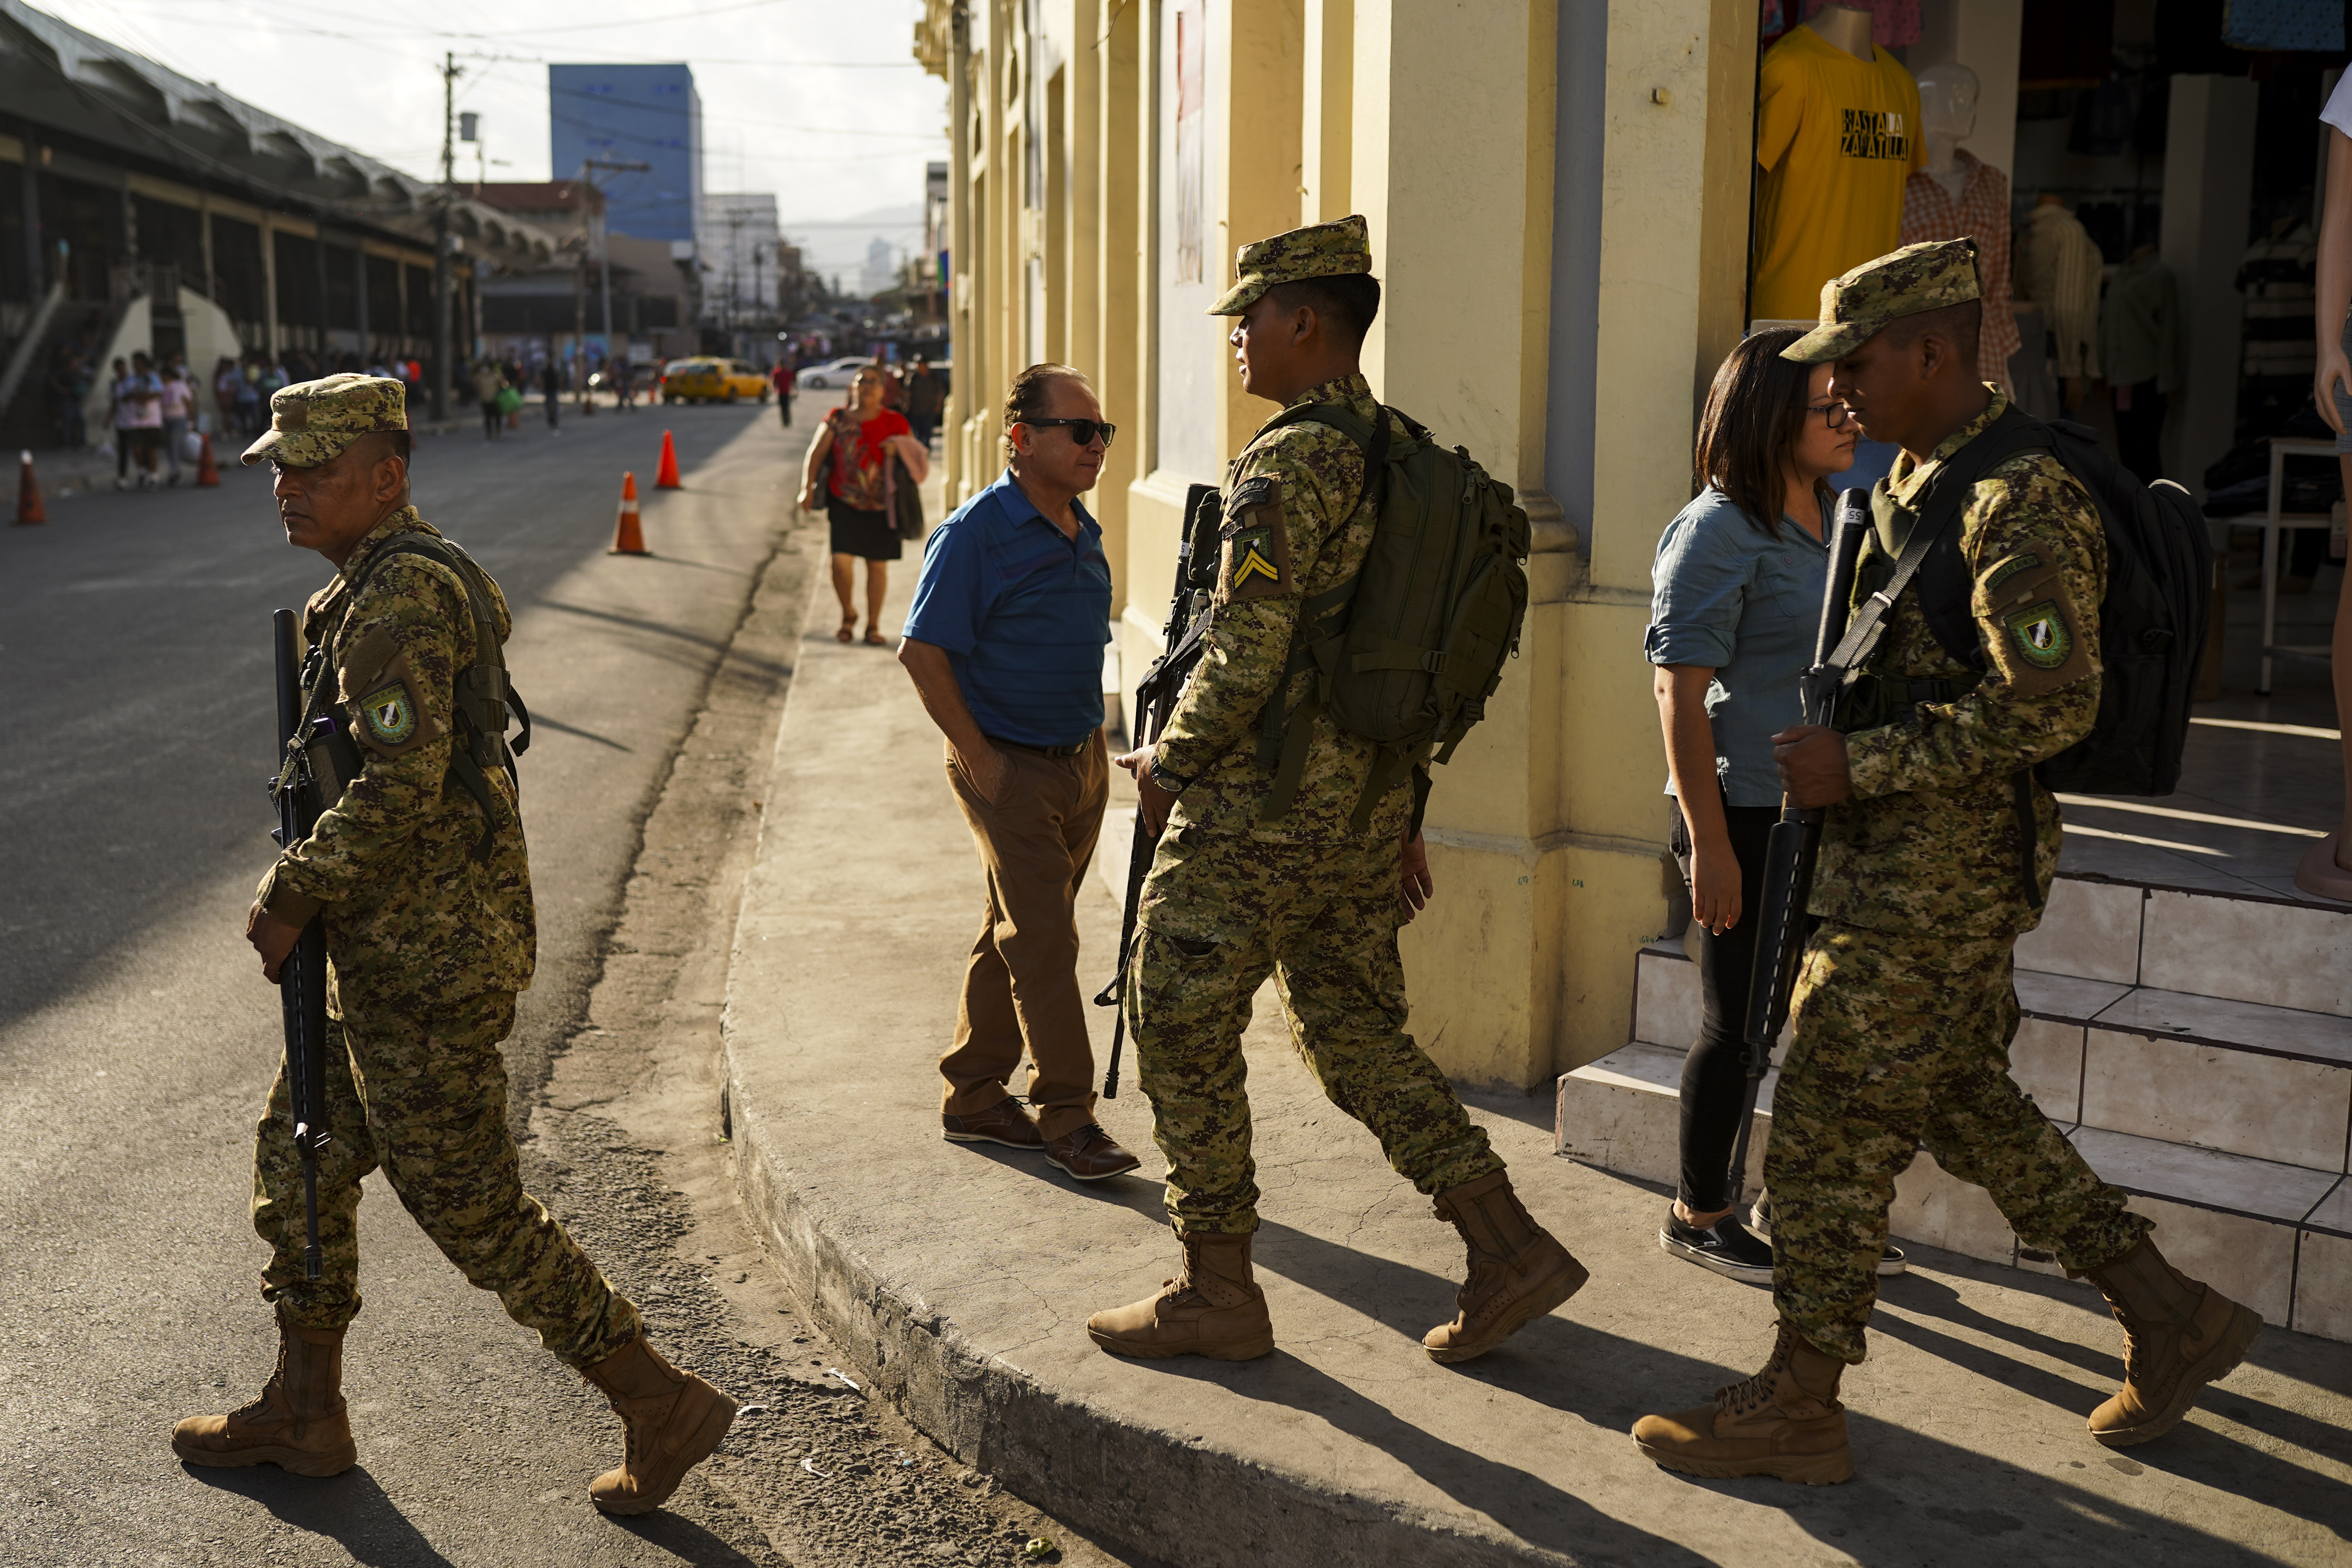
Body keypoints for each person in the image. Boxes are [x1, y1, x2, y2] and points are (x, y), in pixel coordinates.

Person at [1633, 240, 2263, 1484]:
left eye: (1854, 365)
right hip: (1889, 868)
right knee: (1971, 1106)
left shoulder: (2012, 500)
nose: (1838, 392)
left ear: (1932, 351)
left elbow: (2051, 703)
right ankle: (2171, 1314)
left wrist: (1855, 768)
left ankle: (1801, 1404)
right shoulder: (1919, 477)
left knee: (1816, 1119)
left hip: (1939, 882)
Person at [174, 374, 736, 1515]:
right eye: (278, 467)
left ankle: (657, 1395)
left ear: (386, 476)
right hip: (385, 946)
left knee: (471, 1205)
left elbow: (399, 788)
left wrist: (290, 889)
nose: (284, 488)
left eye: (313, 470)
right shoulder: (370, 583)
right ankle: (306, 1406)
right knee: (302, 1151)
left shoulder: (399, 600)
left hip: (424, 961)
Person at [1085, 216, 1585, 1365]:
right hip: (1361, 815)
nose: (1237, 344)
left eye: (1248, 320)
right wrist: (1397, 809)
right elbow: (1408, 659)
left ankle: (1215, 1290)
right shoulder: (1406, 456)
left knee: (1174, 1015)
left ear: (1304, 318)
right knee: (1355, 1030)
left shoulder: (1284, 464)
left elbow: (1248, 648)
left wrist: (1172, 760)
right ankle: (1505, 1244)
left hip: (1258, 812)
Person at [1646, 326, 1863, 1285]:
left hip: (1820, 814)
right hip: (1738, 813)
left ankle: (1794, 1202)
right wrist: (1709, 847)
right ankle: (1700, 1209)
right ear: (1774, 417)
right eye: (1829, 404)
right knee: (1739, 1026)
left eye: (1850, 395)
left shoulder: (1836, 514)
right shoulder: (1716, 529)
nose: (1851, 414)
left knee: (1815, 1018)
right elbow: (1677, 694)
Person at [898, 365, 1134, 1179]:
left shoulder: (1082, 525)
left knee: (1016, 926)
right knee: (1045, 940)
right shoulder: (976, 531)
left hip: (1080, 760)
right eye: (1079, 429)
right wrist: (982, 758)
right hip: (1007, 763)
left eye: (1102, 430)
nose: (1096, 444)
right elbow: (923, 653)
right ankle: (1068, 1112)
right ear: (1022, 438)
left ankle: (972, 1092)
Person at [798, 365, 927, 646]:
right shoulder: (838, 418)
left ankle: (873, 625)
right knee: (840, 564)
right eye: (861, 381)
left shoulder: (895, 421)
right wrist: (805, 488)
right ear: (853, 388)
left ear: (883, 390)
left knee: (877, 566)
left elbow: (917, 458)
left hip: (883, 506)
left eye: (873, 382)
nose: (867, 386)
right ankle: (848, 614)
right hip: (843, 501)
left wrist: (898, 448)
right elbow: (817, 453)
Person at [114, 353, 164, 490]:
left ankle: (153, 474)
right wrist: (134, 396)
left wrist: (144, 398)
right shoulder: (130, 380)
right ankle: (143, 470)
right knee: (137, 447)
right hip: (135, 419)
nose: (135, 365)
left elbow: (158, 392)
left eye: (138, 363)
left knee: (152, 447)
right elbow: (124, 397)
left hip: (152, 418)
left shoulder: (152, 377)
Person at [159, 357, 194, 486]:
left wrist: (191, 420)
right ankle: (175, 469)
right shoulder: (162, 387)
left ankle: (175, 473)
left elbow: (189, 403)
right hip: (166, 419)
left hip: (179, 419)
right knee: (169, 446)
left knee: (174, 444)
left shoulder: (180, 385)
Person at [904, 355, 947, 450]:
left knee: (927, 431)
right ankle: (920, 449)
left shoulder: (934, 377)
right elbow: (908, 392)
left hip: (930, 409)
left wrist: (939, 405)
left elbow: (940, 393)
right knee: (918, 433)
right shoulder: (914, 377)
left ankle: (926, 449)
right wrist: (907, 403)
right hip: (917, 409)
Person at [472, 361, 506, 440]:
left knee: (497, 415)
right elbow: (474, 382)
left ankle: (498, 430)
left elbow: (503, 382)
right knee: (487, 417)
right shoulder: (480, 376)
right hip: (485, 400)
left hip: (495, 399)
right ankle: (489, 433)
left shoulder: (496, 375)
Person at [539, 359, 560, 431]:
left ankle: (554, 419)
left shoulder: (555, 368)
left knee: (554, 405)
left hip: (554, 389)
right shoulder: (546, 369)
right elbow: (542, 378)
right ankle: (550, 418)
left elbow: (559, 378)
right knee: (548, 405)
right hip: (548, 389)